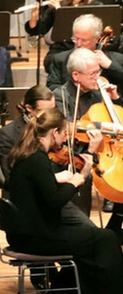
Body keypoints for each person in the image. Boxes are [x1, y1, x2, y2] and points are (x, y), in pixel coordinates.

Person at [5, 107, 123, 294]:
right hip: (36, 236)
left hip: (27, 232)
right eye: (64, 134)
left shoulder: (27, 153)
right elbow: (54, 202)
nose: (65, 140)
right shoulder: (37, 159)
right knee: (106, 238)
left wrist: (69, 175)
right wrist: (75, 182)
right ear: (54, 133)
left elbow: (37, 188)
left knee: (93, 242)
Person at [53, 47, 123, 216]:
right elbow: (68, 128)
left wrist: (115, 99)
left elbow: (119, 122)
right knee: (87, 174)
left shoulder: (98, 94)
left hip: (103, 149)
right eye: (92, 74)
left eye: (98, 72)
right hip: (75, 153)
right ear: (76, 75)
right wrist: (105, 127)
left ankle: (115, 223)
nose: (97, 77)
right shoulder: (60, 95)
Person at [25, 0, 100, 55]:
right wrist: (34, 17)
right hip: (63, 49)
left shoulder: (95, 5)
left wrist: (60, 11)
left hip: (87, 49)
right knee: (53, 59)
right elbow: (40, 30)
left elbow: (76, 29)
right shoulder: (61, 4)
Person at [45, 14, 123, 91]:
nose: (78, 44)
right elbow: (52, 87)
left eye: (84, 40)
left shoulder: (116, 59)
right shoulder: (61, 59)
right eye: (76, 39)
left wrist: (111, 66)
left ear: (97, 38)